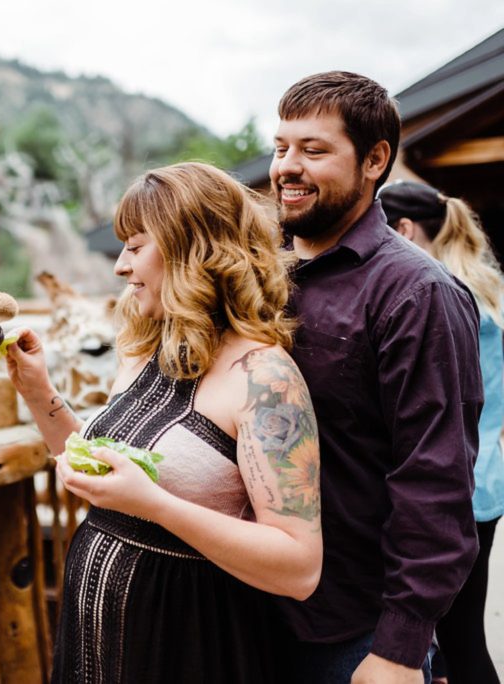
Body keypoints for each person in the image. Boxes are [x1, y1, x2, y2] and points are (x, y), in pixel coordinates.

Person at [6, 161, 322, 683]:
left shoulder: (265, 379)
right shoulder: (144, 347)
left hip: (188, 639)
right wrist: (38, 393)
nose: (120, 267)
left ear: (191, 248)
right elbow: (104, 473)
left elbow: (299, 567)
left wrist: (153, 505)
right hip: (96, 638)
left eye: (135, 246)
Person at [269, 71, 482, 684]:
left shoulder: (418, 294)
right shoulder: (257, 274)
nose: (288, 166)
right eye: (281, 147)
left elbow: (435, 482)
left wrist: (399, 649)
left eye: (314, 150)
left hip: (349, 632)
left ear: (375, 160)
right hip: (246, 607)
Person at [379, 180, 503, 684]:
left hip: (456, 490)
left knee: (457, 644)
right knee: (459, 640)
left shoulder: (436, 293)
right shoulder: (484, 287)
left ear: (404, 229)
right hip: (486, 484)